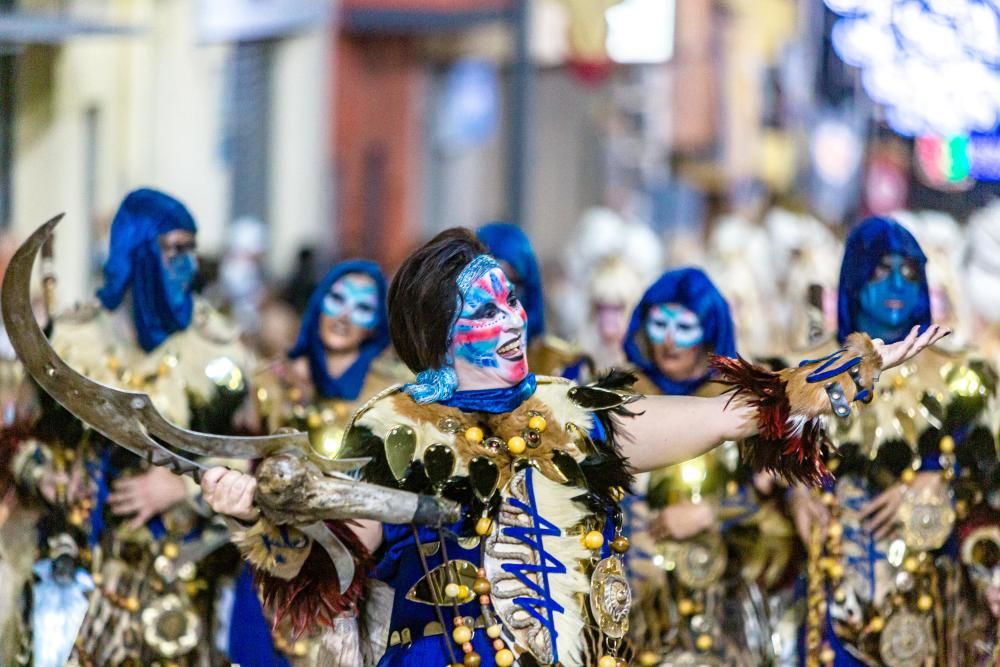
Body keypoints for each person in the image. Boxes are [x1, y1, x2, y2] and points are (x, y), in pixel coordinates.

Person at [201, 228, 945, 667]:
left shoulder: (571, 406)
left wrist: (855, 364)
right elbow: (336, 557)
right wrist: (257, 521)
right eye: (488, 307)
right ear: (439, 330)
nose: (515, 316)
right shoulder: (394, 425)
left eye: (513, 298)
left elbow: (725, 416)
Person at [10, 189, 252, 665]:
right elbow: (20, 441)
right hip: (81, 569)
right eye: (173, 250)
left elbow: (256, 460)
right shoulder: (71, 340)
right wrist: (49, 476)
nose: (187, 265)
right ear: (136, 250)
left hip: (179, 579)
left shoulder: (218, 350)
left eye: (191, 249)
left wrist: (185, 488)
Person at [787, 216, 997, 666]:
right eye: (881, 271)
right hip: (833, 602)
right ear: (853, 281)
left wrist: (939, 481)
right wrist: (794, 495)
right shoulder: (811, 377)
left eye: (909, 270)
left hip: (931, 603)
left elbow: (988, 482)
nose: (898, 283)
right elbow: (761, 467)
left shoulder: (962, 376)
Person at [233, 259, 410, 663]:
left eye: (362, 307)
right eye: (337, 299)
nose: (345, 316)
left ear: (375, 322)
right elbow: (242, 468)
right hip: (273, 568)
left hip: (357, 582)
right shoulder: (272, 383)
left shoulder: (396, 393)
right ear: (318, 303)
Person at [624, 268, 795, 665]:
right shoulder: (619, 392)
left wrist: (709, 513)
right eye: (659, 324)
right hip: (636, 603)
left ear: (708, 329)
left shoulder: (746, 400)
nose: (668, 341)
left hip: (721, 606)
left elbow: (774, 490)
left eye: (684, 326)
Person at [477, 222, 591, 379]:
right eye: (493, 284)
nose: (502, 299)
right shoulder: (452, 357)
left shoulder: (551, 362)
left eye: (513, 286)